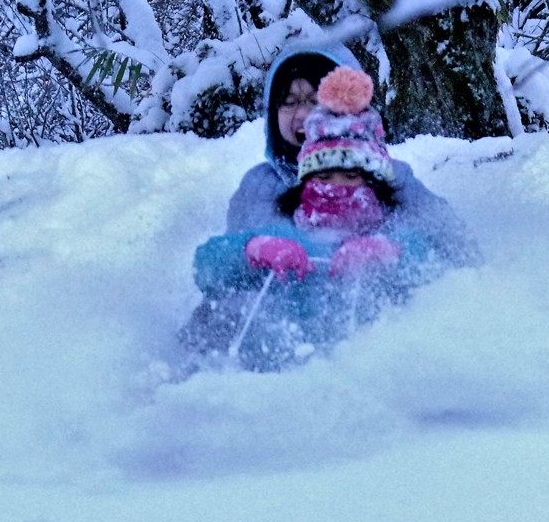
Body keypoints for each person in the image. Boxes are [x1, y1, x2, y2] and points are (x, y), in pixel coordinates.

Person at [179, 67, 454, 373]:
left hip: (372, 370)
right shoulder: (287, 230)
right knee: (223, 311)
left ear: (376, 185)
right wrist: (253, 249)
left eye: (351, 176)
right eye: (323, 176)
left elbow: (441, 269)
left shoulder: (390, 230)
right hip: (285, 366)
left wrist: (391, 253)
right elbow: (207, 268)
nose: (335, 187)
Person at [225, 41, 481, 267]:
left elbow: (457, 245)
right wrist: (250, 250)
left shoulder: (391, 176)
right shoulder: (259, 187)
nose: (302, 115)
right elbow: (221, 274)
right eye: (289, 103)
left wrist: (394, 249)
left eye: (315, 101)